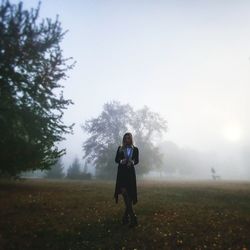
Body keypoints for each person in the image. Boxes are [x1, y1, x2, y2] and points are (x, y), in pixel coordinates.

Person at [114, 132, 139, 228]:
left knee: (129, 196)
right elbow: (116, 159)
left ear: (131, 139)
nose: (126, 140)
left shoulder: (135, 149)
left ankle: (125, 218)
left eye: (128, 138)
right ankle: (133, 218)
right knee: (124, 193)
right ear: (123, 139)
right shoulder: (120, 148)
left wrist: (132, 162)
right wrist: (121, 161)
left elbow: (137, 160)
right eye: (125, 138)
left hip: (131, 174)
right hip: (122, 174)